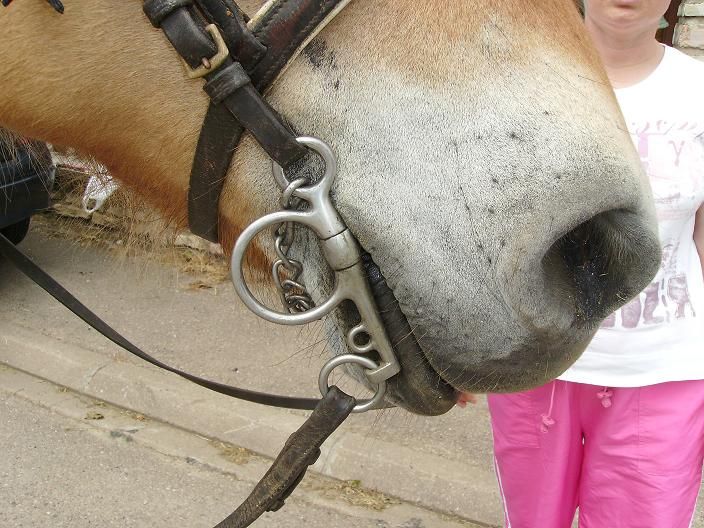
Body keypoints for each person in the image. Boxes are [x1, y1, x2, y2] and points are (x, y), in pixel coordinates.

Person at [472, 1, 704, 526]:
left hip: (664, 372)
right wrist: (463, 351)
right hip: (534, 365)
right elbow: (484, 233)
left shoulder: (698, 92)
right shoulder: (515, 85)